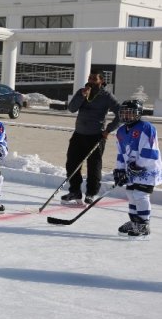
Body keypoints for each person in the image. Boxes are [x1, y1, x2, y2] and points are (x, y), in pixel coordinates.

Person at [62, 70, 120, 206]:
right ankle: (75, 191)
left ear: (101, 81)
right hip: (79, 134)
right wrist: (82, 96)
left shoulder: (107, 96)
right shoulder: (82, 91)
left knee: (94, 167)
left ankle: (91, 193)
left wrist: (108, 130)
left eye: (94, 79)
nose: (91, 81)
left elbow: (120, 114)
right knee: (72, 164)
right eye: (89, 78)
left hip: (96, 136)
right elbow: (71, 108)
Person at [113, 100, 162, 239]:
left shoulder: (146, 127)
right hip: (132, 169)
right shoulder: (121, 131)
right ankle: (135, 221)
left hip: (147, 168)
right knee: (130, 193)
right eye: (124, 113)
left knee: (140, 194)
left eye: (130, 113)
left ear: (138, 114)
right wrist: (120, 170)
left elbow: (150, 151)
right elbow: (121, 153)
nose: (126, 116)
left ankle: (143, 224)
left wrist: (138, 165)